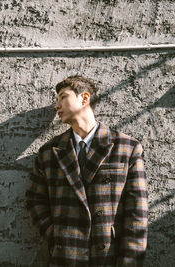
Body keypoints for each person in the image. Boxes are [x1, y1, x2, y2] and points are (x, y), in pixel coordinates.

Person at [26, 75, 148, 266]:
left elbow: (137, 212)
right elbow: (35, 199)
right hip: (65, 255)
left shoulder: (126, 147)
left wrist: (130, 261)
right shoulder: (50, 152)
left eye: (62, 97)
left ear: (84, 99)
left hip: (109, 255)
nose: (56, 106)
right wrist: (56, 234)